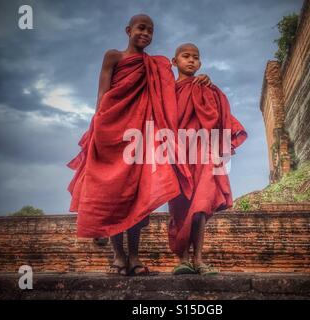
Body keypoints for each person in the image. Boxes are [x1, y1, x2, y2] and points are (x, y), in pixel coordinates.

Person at [67, 16, 210, 276]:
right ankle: (118, 257)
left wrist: (203, 78)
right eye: (141, 28)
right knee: (110, 195)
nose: (146, 34)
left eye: (150, 31)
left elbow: (180, 74)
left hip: (139, 137)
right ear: (128, 30)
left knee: (135, 196)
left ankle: (134, 257)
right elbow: (102, 93)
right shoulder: (114, 56)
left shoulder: (153, 65)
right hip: (110, 131)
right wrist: (97, 127)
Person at [168, 43, 247, 275]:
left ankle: (199, 259)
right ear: (174, 62)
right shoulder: (168, 90)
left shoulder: (206, 87)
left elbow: (218, 115)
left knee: (201, 205)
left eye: (195, 57)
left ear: (200, 63)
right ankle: (183, 259)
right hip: (178, 154)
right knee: (180, 206)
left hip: (203, 153)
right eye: (185, 56)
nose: (191, 60)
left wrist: (210, 88)